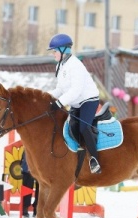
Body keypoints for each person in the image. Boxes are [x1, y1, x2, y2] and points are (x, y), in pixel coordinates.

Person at [47, 33, 101, 174]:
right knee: (69, 126)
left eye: (55, 51)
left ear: (64, 50)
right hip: (76, 102)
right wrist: (47, 98)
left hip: (88, 100)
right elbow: (60, 89)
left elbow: (75, 90)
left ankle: (95, 159)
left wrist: (59, 103)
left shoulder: (75, 66)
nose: (53, 54)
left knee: (83, 127)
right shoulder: (60, 66)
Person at [21, 150, 39, 218]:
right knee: (27, 189)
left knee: (40, 190)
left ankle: (37, 208)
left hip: (40, 168)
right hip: (28, 168)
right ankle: (25, 208)